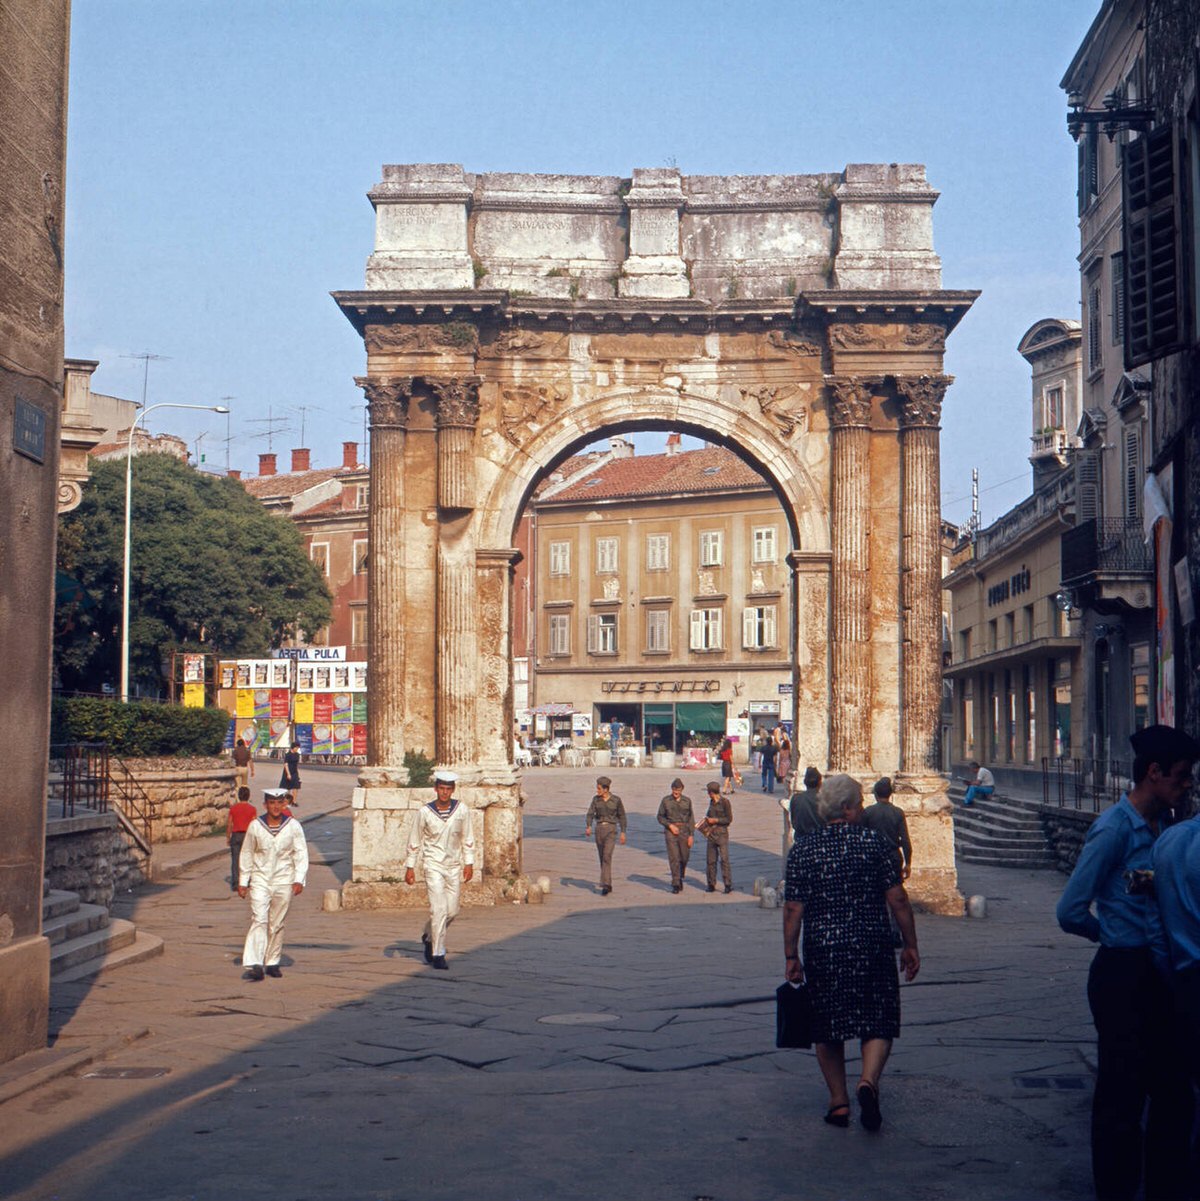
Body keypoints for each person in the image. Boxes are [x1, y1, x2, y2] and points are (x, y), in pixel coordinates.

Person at [1057, 723, 1199, 1201]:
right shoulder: (1114, 829)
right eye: (1181, 776)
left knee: (1173, 1091)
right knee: (1122, 1093)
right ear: (1154, 773)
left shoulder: (1166, 827)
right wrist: (1113, 937)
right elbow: (1070, 910)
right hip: (1123, 973)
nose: (1187, 785)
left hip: (1161, 972)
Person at [783, 774, 919, 1131]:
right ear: (846, 808)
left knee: (827, 1025)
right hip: (871, 943)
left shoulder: (804, 849)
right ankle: (868, 1081)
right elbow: (899, 900)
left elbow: (793, 908)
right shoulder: (875, 845)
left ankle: (839, 1102)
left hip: (824, 947)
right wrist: (910, 944)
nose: (863, 808)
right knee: (878, 1017)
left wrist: (790, 955)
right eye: (859, 803)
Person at [405, 770, 475, 969]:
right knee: (439, 909)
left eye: (448, 789)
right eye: (441, 789)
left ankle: (429, 935)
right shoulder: (425, 813)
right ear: (436, 789)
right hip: (433, 864)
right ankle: (438, 954)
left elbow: (467, 837)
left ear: (452, 790)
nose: (444, 793)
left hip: (453, 865)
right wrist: (410, 866)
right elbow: (415, 839)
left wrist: (469, 862)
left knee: (452, 911)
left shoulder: (461, 810)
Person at [238, 788, 308, 981]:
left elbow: (301, 853)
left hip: (284, 879)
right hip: (260, 879)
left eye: (279, 803)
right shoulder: (256, 826)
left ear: (284, 804)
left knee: (276, 923)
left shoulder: (293, 826)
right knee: (259, 918)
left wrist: (299, 879)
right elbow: (247, 853)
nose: (276, 807)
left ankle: (272, 961)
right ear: (265, 805)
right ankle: (255, 963)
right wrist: (244, 881)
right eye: (272, 803)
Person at [862, 777, 912, 880]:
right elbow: (905, 841)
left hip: (873, 857)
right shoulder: (898, 812)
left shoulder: (868, 812)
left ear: (876, 794)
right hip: (893, 856)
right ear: (890, 794)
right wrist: (908, 863)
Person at [584, 775, 626, 896]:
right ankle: (608, 882)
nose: (597, 791)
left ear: (606, 789)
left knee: (607, 855)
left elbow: (622, 816)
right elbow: (590, 814)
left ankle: (605, 885)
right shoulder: (596, 800)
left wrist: (623, 832)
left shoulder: (616, 800)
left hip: (611, 829)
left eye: (599, 788)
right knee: (602, 856)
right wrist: (588, 826)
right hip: (599, 829)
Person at [657, 777, 694, 893]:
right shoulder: (666, 801)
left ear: (682, 789)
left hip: (684, 830)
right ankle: (676, 882)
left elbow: (691, 818)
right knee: (674, 857)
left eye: (678, 790)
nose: (676, 792)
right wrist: (670, 826)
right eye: (674, 790)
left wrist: (691, 835)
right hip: (671, 831)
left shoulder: (687, 801)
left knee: (684, 857)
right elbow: (660, 817)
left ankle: (680, 874)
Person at [698, 780, 733, 893]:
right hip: (711, 834)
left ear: (712, 792)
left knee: (724, 860)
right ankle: (711, 883)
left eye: (709, 792)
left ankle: (727, 884)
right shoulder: (711, 803)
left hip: (722, 833)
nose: (709, 795)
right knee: (711, 860)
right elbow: (709, 815)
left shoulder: (725, 802)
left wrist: (716, 820)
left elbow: (729, 819)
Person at [226, 785, 258, 894]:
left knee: (235, 859)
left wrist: (228, 836)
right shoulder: (252, 809)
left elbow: (230, 823)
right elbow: (254, 824)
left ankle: (235, 883)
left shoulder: (233, 808)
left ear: (239, 796)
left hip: (236, 835)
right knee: (248, 859)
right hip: (247, 836)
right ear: (248, 796)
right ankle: (246, 881)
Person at [789, 766, 824, 840]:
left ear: (805, 782)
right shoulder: (825, 800)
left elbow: (794, 821)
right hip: (819, 839)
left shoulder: (796, 798)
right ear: (820, 783)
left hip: (800, 838)